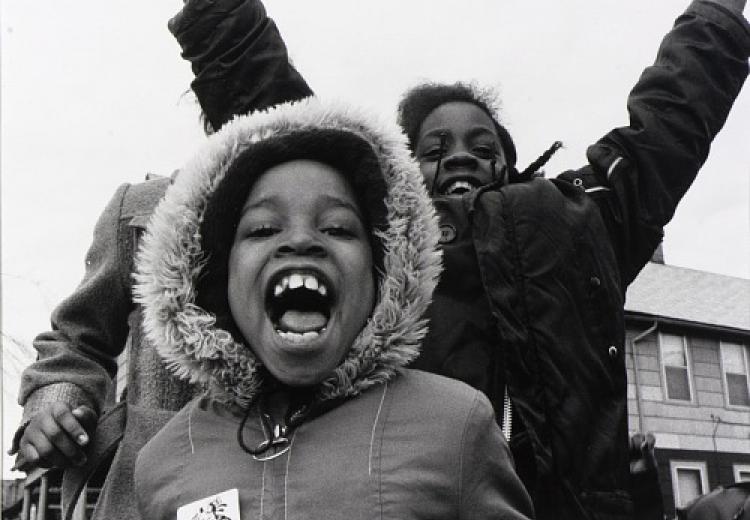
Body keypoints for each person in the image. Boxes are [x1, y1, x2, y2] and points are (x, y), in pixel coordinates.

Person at [131, 97, 534, 520]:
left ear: (386, 270)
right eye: (264, 228)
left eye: (338, 228)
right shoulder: (163, 460)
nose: (301, 241)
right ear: (214, 277)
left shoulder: (456, 424)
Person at [9, 1, 313, 519]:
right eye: (240, 118)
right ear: (213, 122)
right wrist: (55, 405)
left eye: (280, 116)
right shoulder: (143, 213)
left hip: (299, 490)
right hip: (151, 494)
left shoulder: (336, 229)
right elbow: (76, 341)